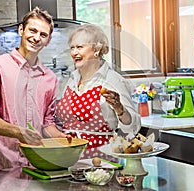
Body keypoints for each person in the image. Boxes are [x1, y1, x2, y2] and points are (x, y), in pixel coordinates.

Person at [0, 7, 67, 172]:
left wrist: (62, 138)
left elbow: (46, 123)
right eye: (33, 30)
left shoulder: (50, 78)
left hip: (34, 165)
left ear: (48, 41)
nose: (36, 38)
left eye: (43, 35)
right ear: (21, 30)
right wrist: (19, 132)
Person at [55, 24, 141, 159]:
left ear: (97, 50)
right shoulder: (72, 79)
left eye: (80, 47)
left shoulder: (112, 79)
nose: (74, 52)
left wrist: (119, 108)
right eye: (72, 48)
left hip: (100, 160)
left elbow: (133, 126)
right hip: (70, 159)